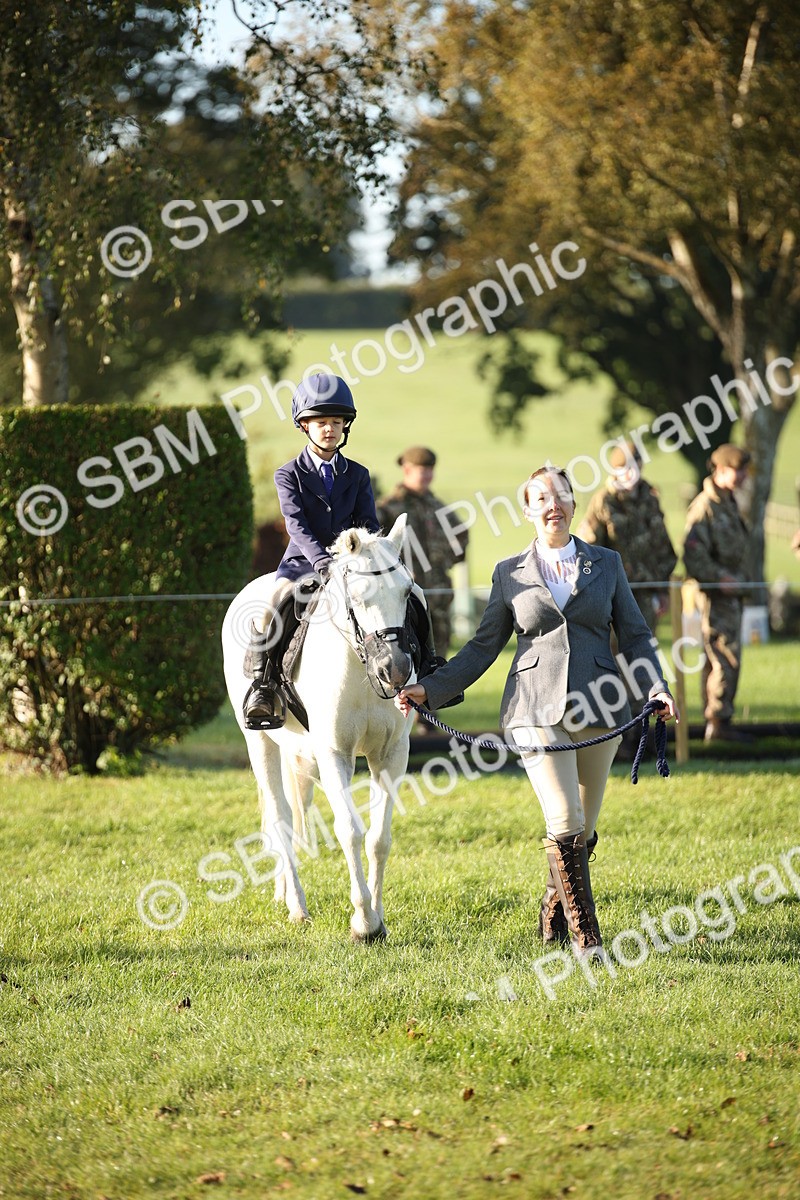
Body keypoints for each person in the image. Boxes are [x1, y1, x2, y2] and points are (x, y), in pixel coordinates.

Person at [396, 466, 678, 959]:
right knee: (565, 817)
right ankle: (587, 939)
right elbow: (483, 647)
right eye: (541, 498)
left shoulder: (606, 563)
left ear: (572, 502)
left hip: (601, 707)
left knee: (582, 833)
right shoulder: (510, 573)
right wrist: (429, 689)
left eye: (562, 494)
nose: (554, 504)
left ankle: (552, 911)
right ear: (528, 510)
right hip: (532, 709)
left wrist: (656, 686)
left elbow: (634, 635)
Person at [242, 374, 444, 730]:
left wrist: (372, 557)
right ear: (305, 425)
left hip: (356, 565)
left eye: (336, 423)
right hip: (304, 563)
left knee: (415, 594)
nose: (329, 430)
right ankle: (263, 683)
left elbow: (367, 522)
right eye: (321, 423)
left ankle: (428, 665)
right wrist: (322, 561)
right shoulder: (288, 474)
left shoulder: (358, 474)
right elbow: (296, 525)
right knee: (273, 602)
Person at [682, 443, 752, 743]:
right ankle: (718, 723)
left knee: (723, 656)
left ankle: (718, 719)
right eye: (739, 471)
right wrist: (718, 578)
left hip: (731, 593)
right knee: (723, 655)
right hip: (715, 594)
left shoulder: (728, 501)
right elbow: (692, 554)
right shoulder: (705, 506)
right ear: (721, 470)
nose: (744, 477)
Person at [378, 446, 469, 656]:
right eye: (422, 470)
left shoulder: (437, 507)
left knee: (438, 661)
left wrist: (442, 561)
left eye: (430, 470)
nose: (427, 475)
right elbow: (377, 550)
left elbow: (462, 536)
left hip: (438, 598)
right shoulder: (389, 508)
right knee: (408, 657)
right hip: (406, 598)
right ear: (407, 470)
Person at [578, 442, 677, 631]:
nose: (631, 472)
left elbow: (663, 547)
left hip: (647, 593)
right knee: (613, 655)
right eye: (624, 467)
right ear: (615, 470)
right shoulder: (604, 501)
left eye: (636, 466)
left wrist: (662, 589)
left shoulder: (650, 499)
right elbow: (589, 548)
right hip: (613, 593)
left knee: (643, 652)